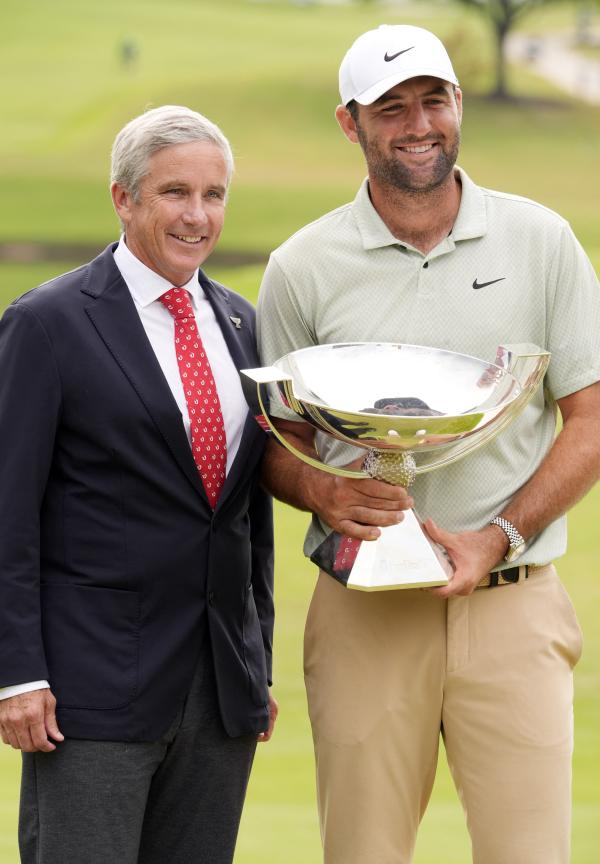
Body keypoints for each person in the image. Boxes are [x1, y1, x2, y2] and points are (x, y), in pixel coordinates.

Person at [257, 24, 600, 864]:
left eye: (434, 100)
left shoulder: (543, 241)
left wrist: (500, 536)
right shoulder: (301, 266)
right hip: (363, 611)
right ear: (351, 124)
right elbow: (275, 442)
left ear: (457, 106)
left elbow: (590, 415)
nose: (419, 124)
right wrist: (323, 493)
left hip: (512, 604)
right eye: (392, 108)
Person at [0, 105, 277, 864]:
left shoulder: (241, 323)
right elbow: (8, 514)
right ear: (123, 199)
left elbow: (244, 515)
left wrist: (257, 666)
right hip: (90, 691)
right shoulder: (48, 323)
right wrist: (16, 673)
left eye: (214, 195)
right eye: (174, 193)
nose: (198, 216)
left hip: (220, 691)